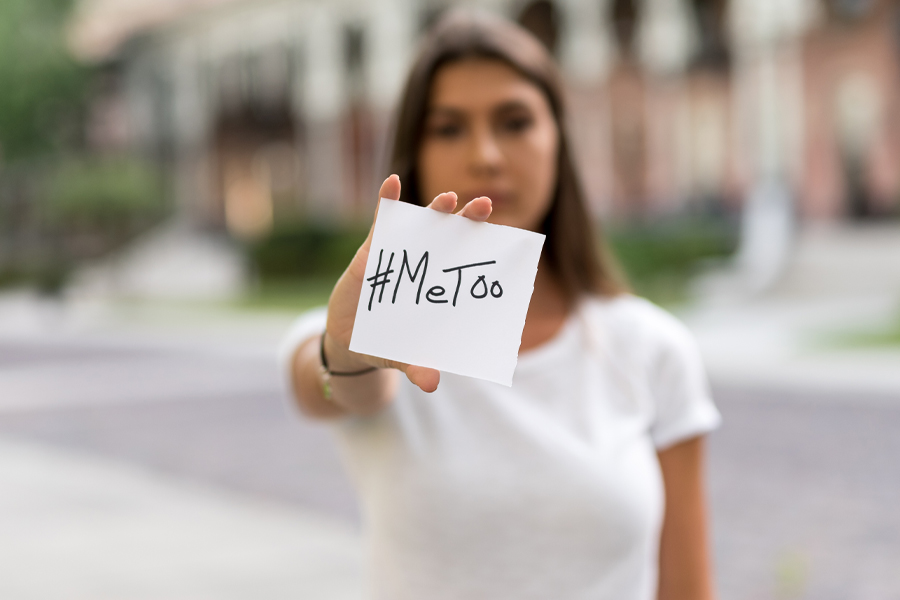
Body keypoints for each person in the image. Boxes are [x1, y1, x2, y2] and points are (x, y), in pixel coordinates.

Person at [279, 10, 720, 600]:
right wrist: (347, 353)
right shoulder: (376, 332)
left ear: (559, 141)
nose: (486, 154)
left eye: (515, 122)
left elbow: (687, 588)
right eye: (449, 128)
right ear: (414, 154)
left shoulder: (650, 347)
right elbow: (336, 385)